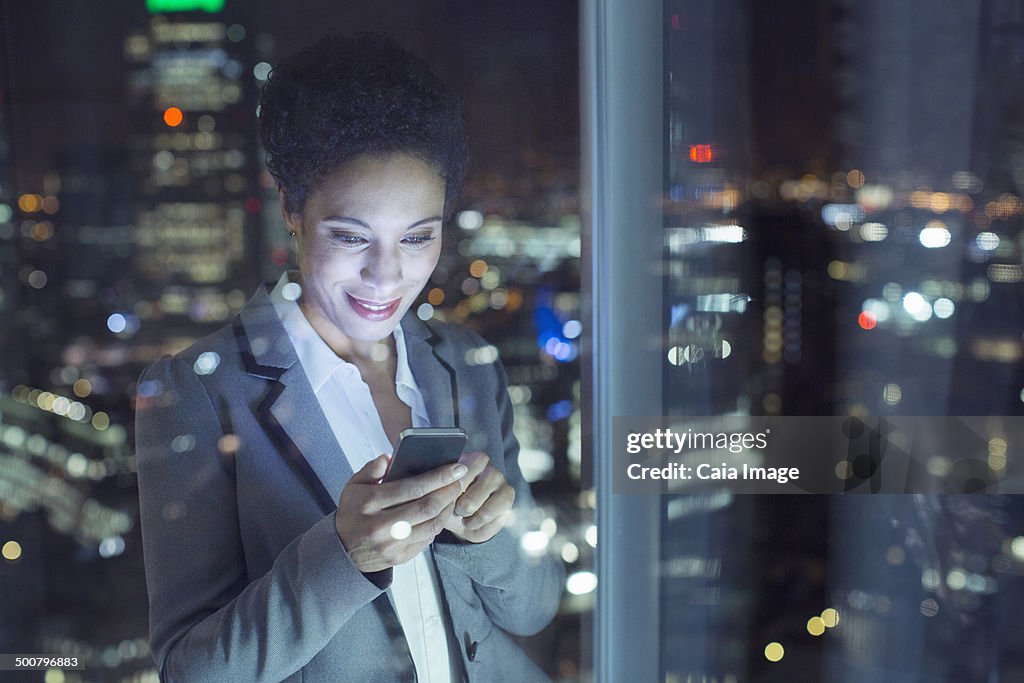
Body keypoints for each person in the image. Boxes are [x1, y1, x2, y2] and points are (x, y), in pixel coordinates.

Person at [134, 33, 563, 682]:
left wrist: (489, 536)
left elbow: (534, 606)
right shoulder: (198, 392)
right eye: (351, 235)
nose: (386, 274)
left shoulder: (465, 360)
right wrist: (344, 554)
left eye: (419, 236)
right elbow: (191, 670)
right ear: (292, 210)